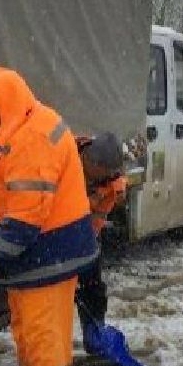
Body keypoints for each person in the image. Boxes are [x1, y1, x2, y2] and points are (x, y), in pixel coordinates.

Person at [0, 67, 99, 366]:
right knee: (26, 331)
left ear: (5, 103)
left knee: (44, 334)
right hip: (33, 256)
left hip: (47, 254)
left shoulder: (32, 138)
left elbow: (27, 214)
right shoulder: (19, 129)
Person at [74, 132, 127, 335]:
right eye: (105, 172)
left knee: (94, 289)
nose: (108, 176)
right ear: (91, 162)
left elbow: (118, 177)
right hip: (56, 235)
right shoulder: (67, 158)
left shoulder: (110, 181)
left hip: (86, 237)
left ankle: (95, 333)